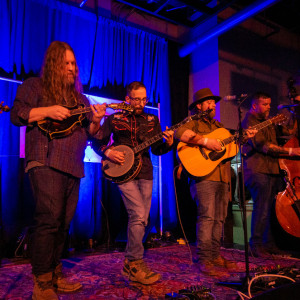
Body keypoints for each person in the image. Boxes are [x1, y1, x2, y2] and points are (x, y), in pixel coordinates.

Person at [10, 41, 106, 299]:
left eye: (74, 64)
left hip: (73, 165)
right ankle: (41, 282)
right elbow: (17, 114)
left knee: (63, 224)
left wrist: (97, 120)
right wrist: (47, 110)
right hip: (45, 158)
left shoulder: (80, 99)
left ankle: (54, 272)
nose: (72, 68)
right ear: (53, 63)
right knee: (48, 220)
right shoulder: (35, 86)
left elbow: (91, 134)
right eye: (66, 63)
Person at [93, 81, 174, 285]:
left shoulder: (152, 119)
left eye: (144, 99)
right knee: (137, 214)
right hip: (123, 171)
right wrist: (108, 151)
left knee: (142, 219)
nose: (140, 103)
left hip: (146, 171)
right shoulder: (115, 117)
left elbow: (156, 150)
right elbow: (97, 140)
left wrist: (169, 144)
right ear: (127, 99)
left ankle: (131, 263)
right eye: (136, 99)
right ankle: (133, 262)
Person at [175, 88, 256, 276]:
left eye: (213, 102)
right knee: (207, 217)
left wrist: (243, 138)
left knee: (219, 218)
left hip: (223, 176)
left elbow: (229, 150)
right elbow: (179, 132)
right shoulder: (192, 122)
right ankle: (204, 258)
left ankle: (214, 255)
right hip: (204, 177)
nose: (213, 105)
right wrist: (205, 142)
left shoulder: (218, 126)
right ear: (199, 106)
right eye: (209, 102)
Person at [242, 92, 300, 257]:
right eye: (265, 104)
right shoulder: (250, 122)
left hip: (271, 170)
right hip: (258, 170)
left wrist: (294, 110)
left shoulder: (268, 121)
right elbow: (264, 146)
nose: (269, 107)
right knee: (261, 208)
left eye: (269, 104)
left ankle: (268, 244)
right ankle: (256, 245)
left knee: (269, 209)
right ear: (254, 105)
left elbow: (289, 130)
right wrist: (291, 151)